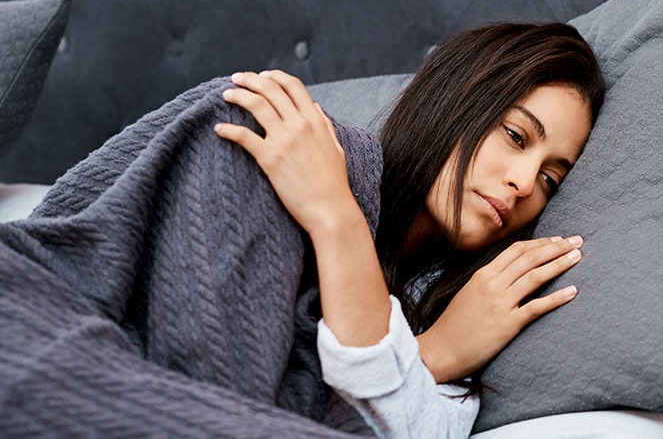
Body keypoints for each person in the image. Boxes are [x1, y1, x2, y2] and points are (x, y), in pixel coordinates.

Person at [214, 22, 605, 437]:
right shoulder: (307, 152)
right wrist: (335, 212)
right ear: (454, 99)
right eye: (515, 135)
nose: (524, 183)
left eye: (550, 180)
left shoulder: (465, 310)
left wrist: (439, 350)